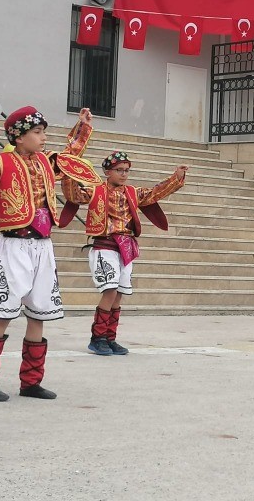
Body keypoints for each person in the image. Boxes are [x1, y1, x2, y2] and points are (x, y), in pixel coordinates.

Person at [0, 105, 94, 401]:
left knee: (38, 313)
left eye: (44, 132)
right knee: (3, 314)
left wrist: (82, 127)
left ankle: (30, 382)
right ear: (19, 137)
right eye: (37, 132)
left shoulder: (46, 162)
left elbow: (70, 158)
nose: (43, 138)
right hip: (14, 245)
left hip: (43, 245)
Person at [60, 151, 188, 355]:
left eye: (127, 170)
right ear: (107, 172)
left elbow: (155, 193)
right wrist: (68, 174)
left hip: (126, 247)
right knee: (110, 290)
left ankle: (110, 338)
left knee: (119, 294)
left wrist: (176, 178)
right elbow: (74, 196)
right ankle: (97, 338)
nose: (124, 174)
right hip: (104, 246)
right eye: (119, 170)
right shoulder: (95, 190)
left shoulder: (133, 192)